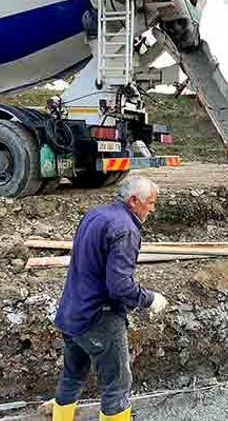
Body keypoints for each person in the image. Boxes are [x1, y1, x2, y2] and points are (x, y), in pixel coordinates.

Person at [46, 176, 169, 421]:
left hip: (72, 310)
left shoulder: (96, 214)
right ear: (134, 201)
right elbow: (120, 286)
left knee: (72, 375)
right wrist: (149, 299)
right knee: (117, 385)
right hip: (99, 318)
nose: (152, 209)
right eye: (151, 203)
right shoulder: (125, 229)